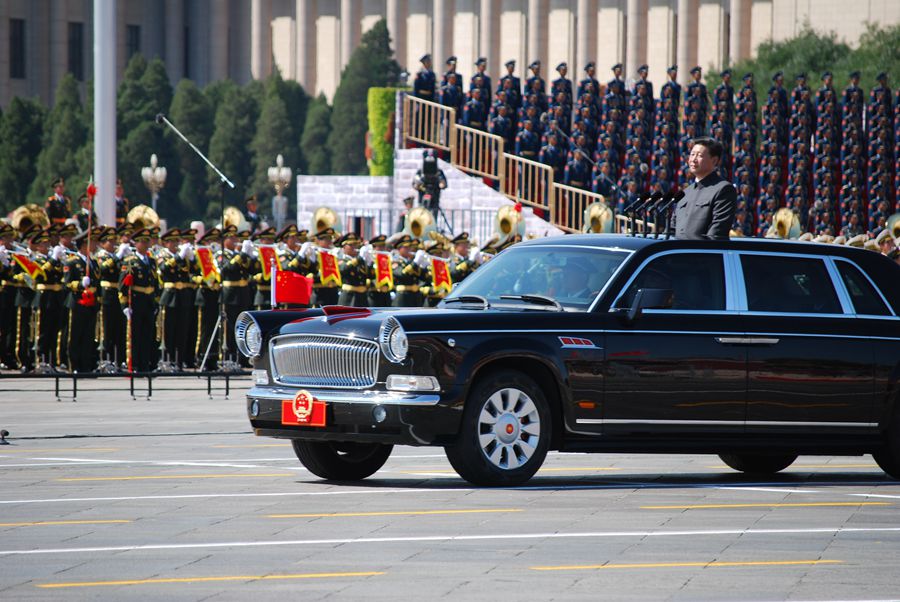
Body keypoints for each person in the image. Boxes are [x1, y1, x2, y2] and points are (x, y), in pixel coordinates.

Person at [672, 137, 737, 240]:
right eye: (692, 154)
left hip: (704, 254)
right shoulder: (685, 192)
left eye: (699, 155)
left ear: (714, 160)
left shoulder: (723, 189)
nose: (693, 159)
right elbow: (673, 229)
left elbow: (717, 233)